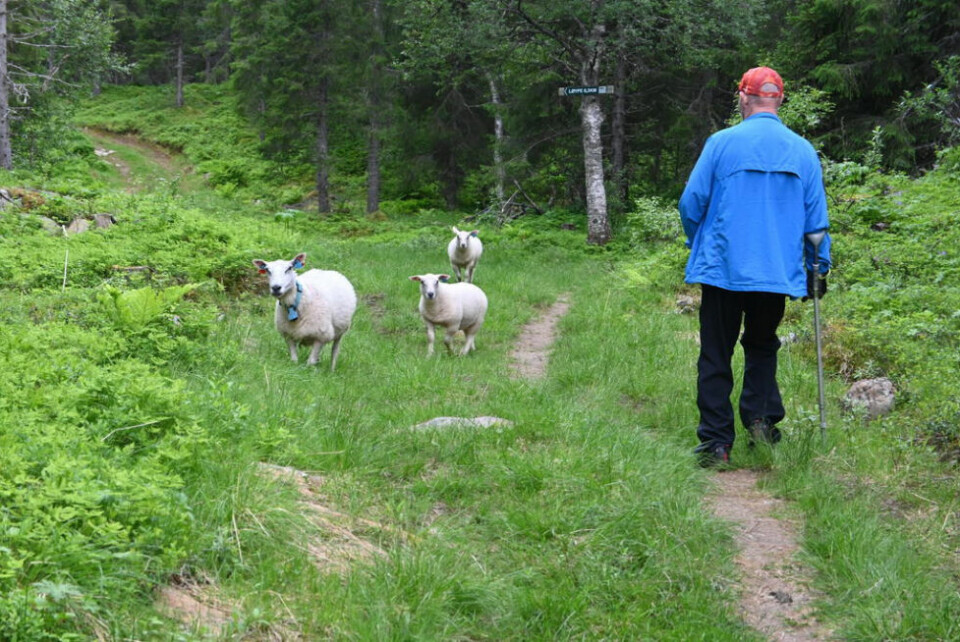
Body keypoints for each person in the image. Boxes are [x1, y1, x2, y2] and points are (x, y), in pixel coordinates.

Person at [678, 66, 832, 467]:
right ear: (779, 99)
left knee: (716, 352)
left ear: (743, 98)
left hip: (723, 268)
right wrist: (819, 266)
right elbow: (816, 221)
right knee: (762, 346)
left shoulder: (721, 143)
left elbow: (691, 203)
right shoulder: (801, 150)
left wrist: (701, 245)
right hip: (774, 271)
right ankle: (761, 422)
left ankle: (716, 443)